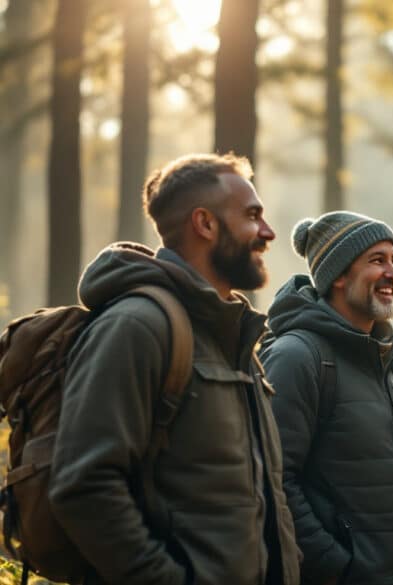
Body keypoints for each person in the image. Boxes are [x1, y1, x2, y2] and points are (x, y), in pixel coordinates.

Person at [50, 153, 301, 584]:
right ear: (204, 224)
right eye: (253, 216)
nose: (268, 232)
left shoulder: (233, 340)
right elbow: (84, 486)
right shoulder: (136, 326)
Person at [260, 211, 393, 585]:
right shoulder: (296, 358)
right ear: (337, 275)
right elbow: (272, 481)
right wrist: (335, 567)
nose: (392, 273)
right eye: (376, 260)